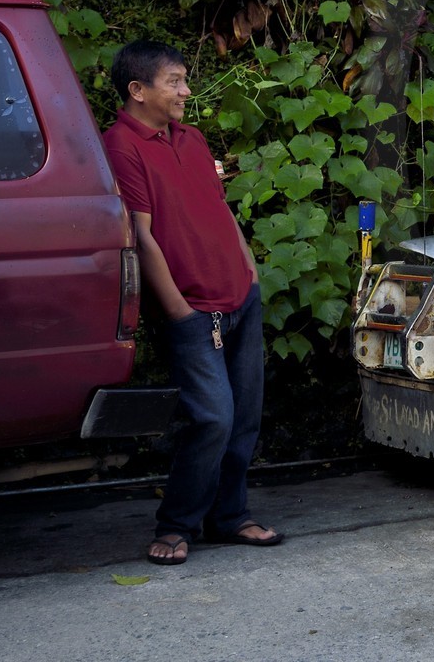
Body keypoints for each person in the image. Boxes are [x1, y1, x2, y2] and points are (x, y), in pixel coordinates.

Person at [102, 41, 282, 566]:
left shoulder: (193, 138)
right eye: (174, 82)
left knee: (244, 418)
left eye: (184, 80)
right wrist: (179, 310)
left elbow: (221, 209)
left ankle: (229, 517)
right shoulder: (120, 146)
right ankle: (177, 524)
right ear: (138, 90)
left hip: (240, 296)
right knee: (214, 419)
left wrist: (250, 272)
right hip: (193, 310)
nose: (186, 91)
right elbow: (141, 236)